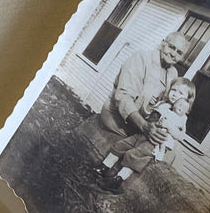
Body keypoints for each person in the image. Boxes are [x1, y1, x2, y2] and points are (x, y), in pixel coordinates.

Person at [75, 32, 190, 167]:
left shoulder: (173, 74)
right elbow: (123, 97)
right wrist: (143, 126)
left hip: (145, 123)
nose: (173, 54)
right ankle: (111, 171)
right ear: (162, 43)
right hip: (119, 117)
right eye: (171, 47)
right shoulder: (141, 58)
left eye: (179, 52)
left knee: (172, 154)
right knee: (145, 148)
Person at [98, 77, 195, 193]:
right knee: (121, 145)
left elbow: (180, 136)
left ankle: (116, 181)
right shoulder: (163, 104)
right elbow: (149, 117)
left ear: (188, 100)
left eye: (180, 93)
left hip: (155, 142)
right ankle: (103, 167)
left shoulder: (182, 117)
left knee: (135, 156)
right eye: (173, 90)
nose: (174, 94)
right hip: (143, 134)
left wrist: (169, 127)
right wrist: (151, 107)